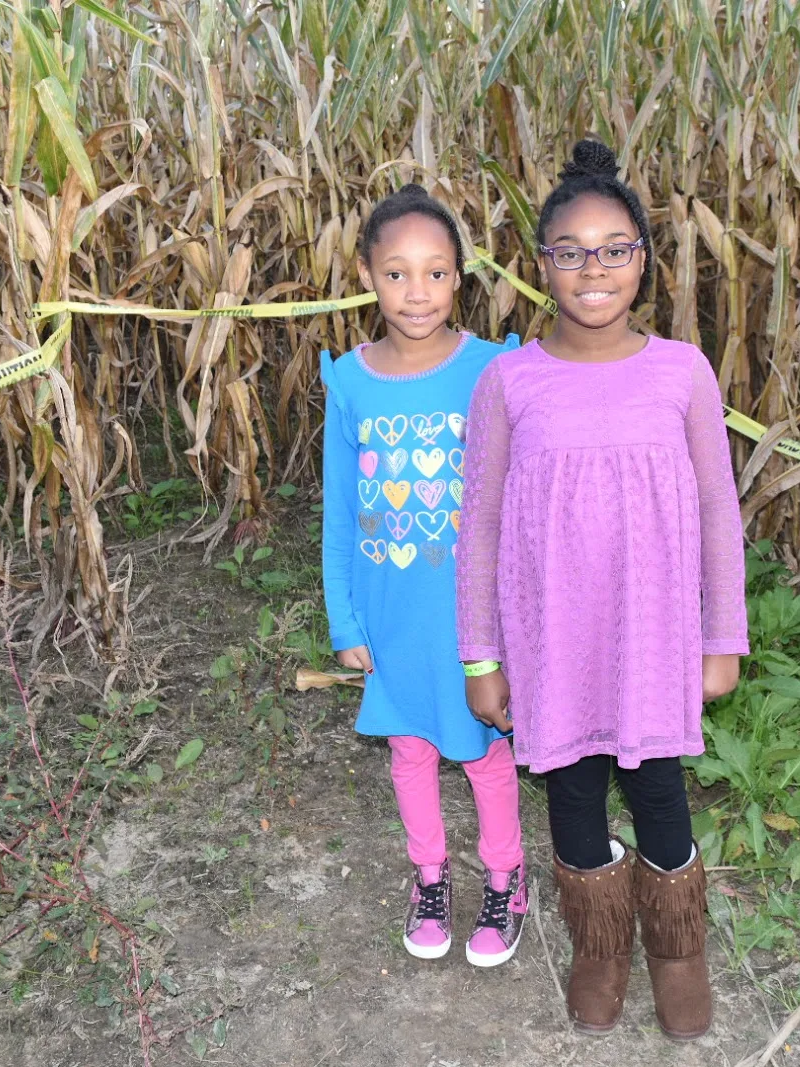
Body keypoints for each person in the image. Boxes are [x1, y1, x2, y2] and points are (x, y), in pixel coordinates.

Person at [455, 141, 748, 1038]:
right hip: (552, 640)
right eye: (571, 250)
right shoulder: (508, 382)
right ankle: (599, 946)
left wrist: (720, 637)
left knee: (658, 787)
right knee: (573, 792)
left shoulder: (682, 371)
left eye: (615, 247)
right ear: (541, 263)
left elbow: (716, 510)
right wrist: (481, 656)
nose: (594, 268)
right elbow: (483, 527)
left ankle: (678, 951)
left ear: (643, 260)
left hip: (653, 635)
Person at [321, 184, 526, 968]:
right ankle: (430, 876)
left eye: (436, 273)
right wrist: (346, 621)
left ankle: (507, 878)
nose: (417, 292)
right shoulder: (351, 383)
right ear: (369, 275)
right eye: (398, 273)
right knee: (408, 747)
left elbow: (513, 503)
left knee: (481, 750)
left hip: (469, 618)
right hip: (391, 613)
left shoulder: (491, 370)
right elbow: (342, 511)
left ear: (460, 278)